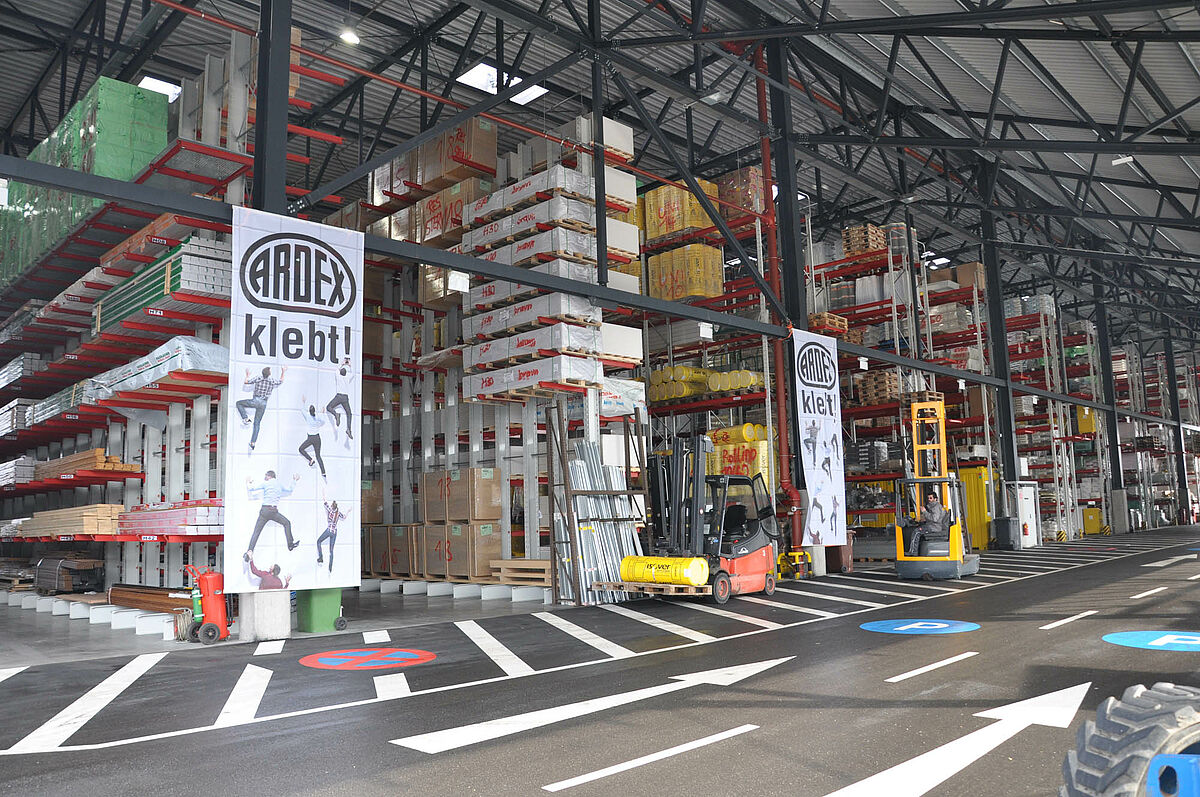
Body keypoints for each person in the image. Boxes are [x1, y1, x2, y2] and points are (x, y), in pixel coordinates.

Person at [245, 470, 302, 555]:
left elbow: (252, 488)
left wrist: (248, 482)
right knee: (287, 523)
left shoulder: (266, 483)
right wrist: (294, 480)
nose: (265, 478)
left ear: (269, 476)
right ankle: (290, 545)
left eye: (265, 476)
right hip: (274, 511)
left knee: (256, 532)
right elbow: (289, 489)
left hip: (265, 511)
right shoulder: (279, 484)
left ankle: (250, 551)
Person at [236, 366, 286, 451]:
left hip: (255, 400)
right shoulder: (271, 380)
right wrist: (283, 371)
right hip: (263, 403)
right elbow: (280, 381)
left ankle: (245, 418)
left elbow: (246, 382)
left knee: (239, 403)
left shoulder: (258, 378)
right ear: (269, 374)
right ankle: (253, 443)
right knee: (257, 423)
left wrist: (247, 375)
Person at [907, 490, 950, 556]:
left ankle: (913, 552)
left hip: (934, 527)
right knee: (919, 530)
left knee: (916, 532)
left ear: (935, 499)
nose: (929, 499)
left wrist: (924, 512)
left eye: (931, 498)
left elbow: (935, 519)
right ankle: (917, 551)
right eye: (928, 498)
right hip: (933, 525)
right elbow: (933, 517)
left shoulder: (936, 507)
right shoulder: (934, 506)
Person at [297, 395, 327, 478]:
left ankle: (310, 459)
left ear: (309, 411)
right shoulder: (317, 416)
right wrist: (323, 413)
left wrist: (303, 402)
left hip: (310, 438)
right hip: (317, 438)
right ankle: (323, 472)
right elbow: (323, 421)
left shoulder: (307, 416)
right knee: (318, 456)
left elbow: (302, 410)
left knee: (301, 449)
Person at [316, 495, 348, 573]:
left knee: (318, 541)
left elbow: (325, 502)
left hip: (329, 530)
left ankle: (321, 558)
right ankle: (330, 568)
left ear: (332, 506)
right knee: (331, 550)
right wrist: (348, 511)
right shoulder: (338, 513)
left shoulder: (330, 510)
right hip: (334, 532)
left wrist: (323, 493)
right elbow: (344, 517)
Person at [326, 357, 354, 445]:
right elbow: (352, 373)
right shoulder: (347, 377)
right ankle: (349, 429)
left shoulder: (338, 376)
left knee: (328, 407)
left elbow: (337, 370)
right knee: (349, 413)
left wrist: (342, 363)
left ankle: (336, 414)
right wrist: (349, 365)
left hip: (339, 396)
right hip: (345, 398)